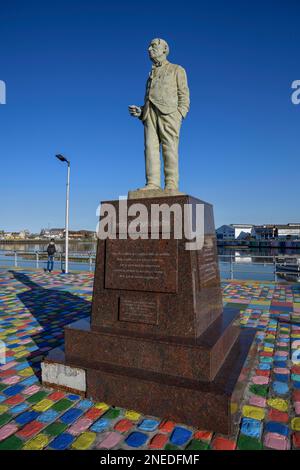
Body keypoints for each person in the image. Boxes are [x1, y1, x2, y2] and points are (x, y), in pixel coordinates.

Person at [129, 38, 190, 191]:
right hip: (150, 113)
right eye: (149, 46)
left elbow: (184, 95)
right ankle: (152, 183)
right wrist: (141, 111)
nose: (149, 49)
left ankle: (171, 184)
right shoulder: (150, 74)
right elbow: (150, 96)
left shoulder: (177, 69)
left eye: (154, 46)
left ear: (165, 49)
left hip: (170, 113)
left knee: (169, 148)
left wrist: (180, 114)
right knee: (150, 148)